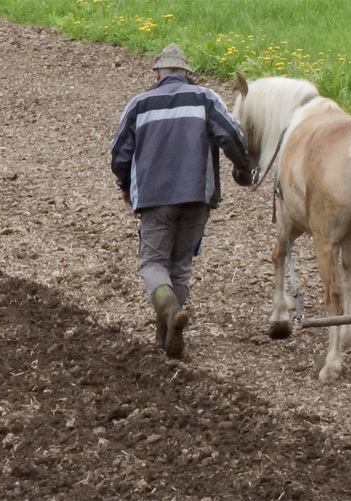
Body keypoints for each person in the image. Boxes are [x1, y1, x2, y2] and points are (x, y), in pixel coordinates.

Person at [110, 43, 254, 359]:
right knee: (180, 265)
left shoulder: (139, 105)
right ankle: (167, 334)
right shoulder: (206, 98)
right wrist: (244, 166)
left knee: (153, 263)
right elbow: (231, 135)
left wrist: (124, 184)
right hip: (198, 195)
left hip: (154, 196)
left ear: (158, 73)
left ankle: (170, 313)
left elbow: (119, 152)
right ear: (187, 73)